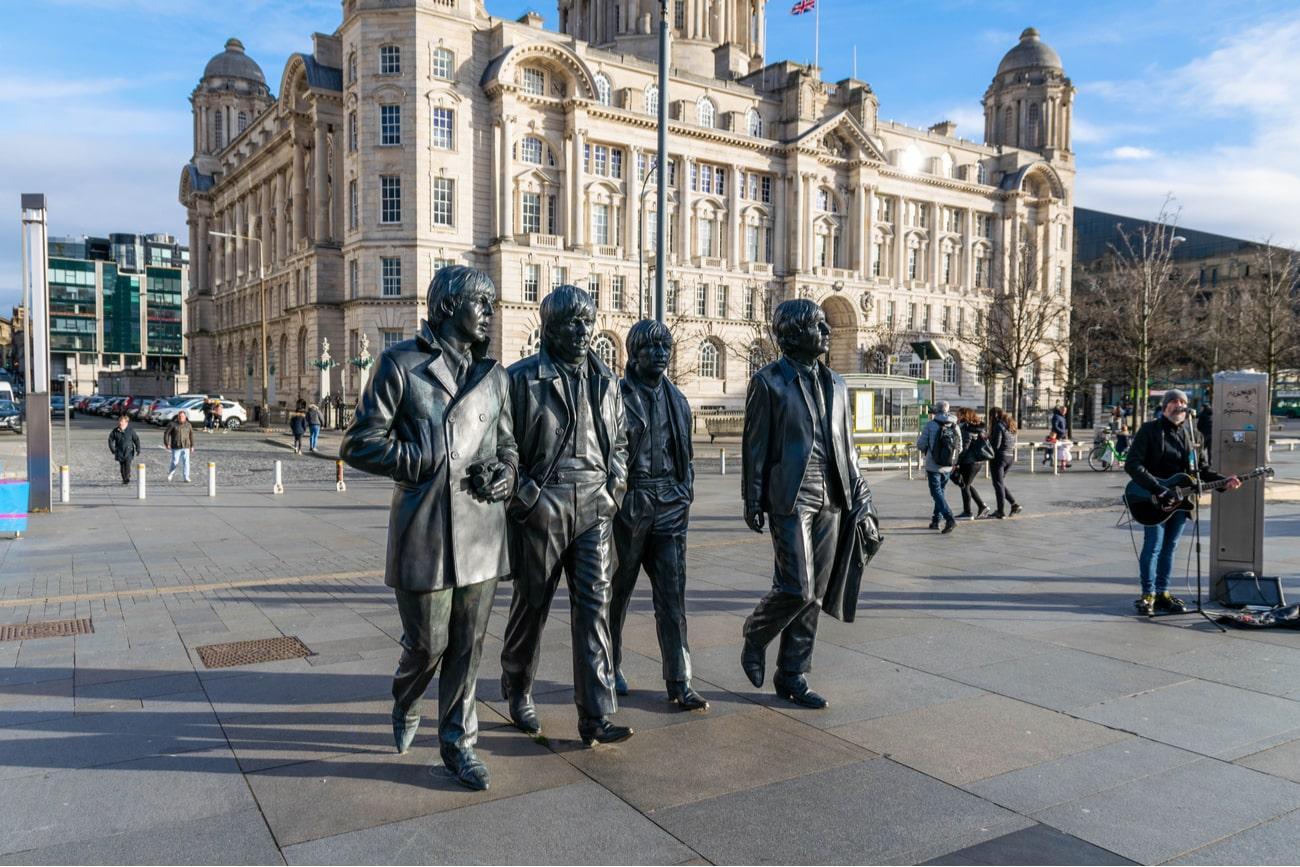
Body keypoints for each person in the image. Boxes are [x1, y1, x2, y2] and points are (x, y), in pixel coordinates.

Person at [340, 266, 517, 791]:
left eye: (491, 303)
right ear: (447, 308)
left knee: (469, 645)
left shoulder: (495, 377)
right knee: (427, 644)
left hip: (482, 531)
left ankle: (459, 745)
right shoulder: (402, 365)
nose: (490, 312)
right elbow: (359, 443)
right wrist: (416, 458)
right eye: (480, 303)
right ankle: (406, 694)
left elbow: (507, 446)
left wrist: (506, 473)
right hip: (425, 531)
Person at [499, 285, 633, 747]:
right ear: (549, 327)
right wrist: (525, 498)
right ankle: (517, 686)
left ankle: (595, 716)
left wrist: (614, 490)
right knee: (531, 605)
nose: (582, 331)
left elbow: (619, 445)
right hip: (544, 504)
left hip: (595, 505)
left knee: (595, 607)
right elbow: (504, 446)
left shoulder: (608, 382)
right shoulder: (520, 379)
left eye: (587, 322)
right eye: (572, 322)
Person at [741, 299, 874, 709]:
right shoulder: (769, 382)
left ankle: (793, 674)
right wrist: (753, 497)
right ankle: (756, 633)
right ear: (794, 334)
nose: (826, 331)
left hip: (833, 495)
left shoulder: (837, 383)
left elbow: (847, 447)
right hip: (790, 494)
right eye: (818, 326)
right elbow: (755, 446)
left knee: (815, 592)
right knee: (796, 586)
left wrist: (862, 499)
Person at [608, 320, 707, 712]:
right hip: (628, 503)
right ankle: (609, 666)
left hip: (669, 504)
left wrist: (684, 494)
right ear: (635, 353)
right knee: (616, 595)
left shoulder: (678, 400)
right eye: (652, 348)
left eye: (665, 348)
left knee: (672, 598)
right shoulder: (615, 395)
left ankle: (679, 679)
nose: (661, 354)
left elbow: (686, 456)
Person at [1124, 389, 1240, 615]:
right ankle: (1148, 595)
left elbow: (1201, 471)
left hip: (1180, 501)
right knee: (1153, 547)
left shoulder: (1193, 436)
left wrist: (1223, 481)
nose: (1179, 405)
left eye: (1183, 402)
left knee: (1170, 548)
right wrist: (1158, 489)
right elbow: (1133, 465)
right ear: (1165, 406)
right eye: (1174, 402)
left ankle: (1163, 593)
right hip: (1152, 499)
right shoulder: (1150, 430)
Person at [915, 400, 960, 533]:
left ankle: (949, 518)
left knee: (936, 492)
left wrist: (928, 449)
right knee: (940, 491)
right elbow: (960, 447)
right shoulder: (955, 425)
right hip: (948, 465)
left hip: (933, 464)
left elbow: (921, 444)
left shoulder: (931, 425)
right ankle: (936, 520)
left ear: (937, 410)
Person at [953, 407, 991, 520]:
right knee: (967, 484)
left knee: (964, 485)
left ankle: (968, 512)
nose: (957, 417)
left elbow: (964, 447)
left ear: (964, 415)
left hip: (969, 461)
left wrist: (956, 462)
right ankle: (981, 506)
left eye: (958, 414)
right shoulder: (978, 428)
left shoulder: (966, 428)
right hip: (977, 460)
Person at [988, 407, 1022, 518]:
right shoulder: (1010, 424)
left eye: (991, 416)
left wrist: (987, 440)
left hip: (999, 458)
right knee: (1000, 483)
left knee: (998, 484)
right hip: (1009, 457)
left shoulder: (998, 426)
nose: (990, 419)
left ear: (995, 416)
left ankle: (1000, 511)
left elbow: (996, 445)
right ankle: (1014, 504)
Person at [108, 414, 141, 486]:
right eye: (119, 421)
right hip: (119, 451)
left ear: (126, 422)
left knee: (127, 465)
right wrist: (112, 449)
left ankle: (127, 477)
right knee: (122, 466)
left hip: (129, 451)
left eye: (122, 421)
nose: (120, 423)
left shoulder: (131, 430)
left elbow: (136, 440)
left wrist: (138, 449)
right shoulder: (115, 431)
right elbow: (110, 440)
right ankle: (124, 477)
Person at [163, 410, 195, 482]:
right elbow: (166, 434)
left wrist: (192, 446)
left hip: (186, 446)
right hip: (176, 446)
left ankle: (186, 477)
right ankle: (171, 473)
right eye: (179, 416)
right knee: (175, 462)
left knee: (186, 462)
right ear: (178, 417)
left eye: (182, 416)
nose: (181, 418)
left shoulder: (188, 425)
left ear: (185, 417)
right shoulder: (172, 424)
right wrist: (166, 443)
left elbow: (191, 435)